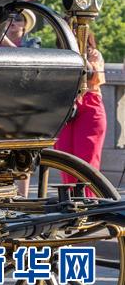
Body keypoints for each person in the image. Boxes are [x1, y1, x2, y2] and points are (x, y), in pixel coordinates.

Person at [55, 27, 106, 194]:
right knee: (65, 162)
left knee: (86, 164)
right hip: (66, 107)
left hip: (90, 106)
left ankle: (89, 209)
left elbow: (93, 76)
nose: (73, 32)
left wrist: (79, 54)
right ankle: (70, 210)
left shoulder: (94, 54)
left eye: (76, 28)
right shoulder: (57, 54)